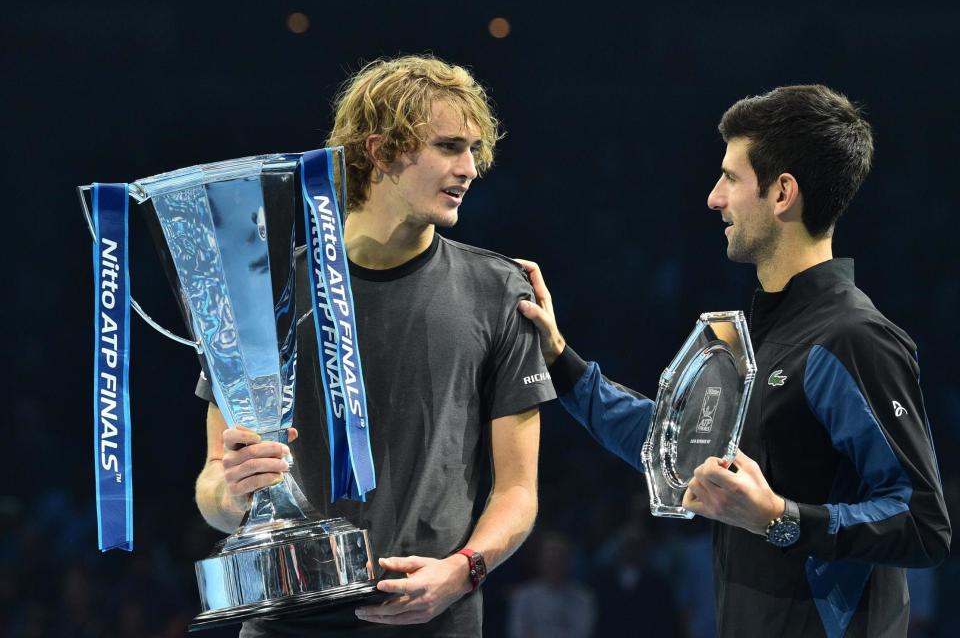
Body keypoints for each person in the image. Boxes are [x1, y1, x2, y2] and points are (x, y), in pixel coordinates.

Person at [518, 85, 951, 637]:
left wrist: (780, 519)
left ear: (782, 193)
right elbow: (671, 446)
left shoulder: (852, 337)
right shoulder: (763, 337)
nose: (713, 197)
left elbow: (923, 523)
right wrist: (559, 358)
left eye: (730, 177)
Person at [194, 55, 555, 636]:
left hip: (439, 621)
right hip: (288, 624)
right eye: (449, 147)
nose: (469, 168)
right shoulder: (267, 299)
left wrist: (464, 570)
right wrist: (234, 492)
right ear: (381, 151)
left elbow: (518, 489)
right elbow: (214, 489)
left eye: (473, 151)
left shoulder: (498, 291)